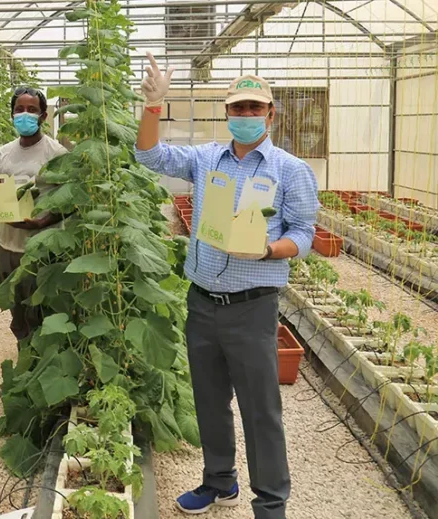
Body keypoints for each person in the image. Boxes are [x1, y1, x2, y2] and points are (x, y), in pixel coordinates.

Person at [135, 53, 320, 518]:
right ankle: (219, 482)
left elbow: (304, 234)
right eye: (238, 109)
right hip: (201, 302)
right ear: (227, 113)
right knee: (210, 400)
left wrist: (266, 251)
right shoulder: (205, 158)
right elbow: (149, 155)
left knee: (261, 411)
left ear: (271, 114)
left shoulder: (289, 169)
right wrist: (154, 106)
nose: (245, 116)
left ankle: (271, 503)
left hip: (252, 306)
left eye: (254, 109)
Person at [0, 86, 68, 342]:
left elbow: (68, 201)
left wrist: (43, 221)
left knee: (43, 307)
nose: (25, 115)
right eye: (19, 110)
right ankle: (24, 353)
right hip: (8, 243)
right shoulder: (4, 153)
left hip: (42, 245)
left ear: (43, 116)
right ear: (12, 115)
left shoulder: (56, 154)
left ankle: (41, 361)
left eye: (32, 110)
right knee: (17, 306)